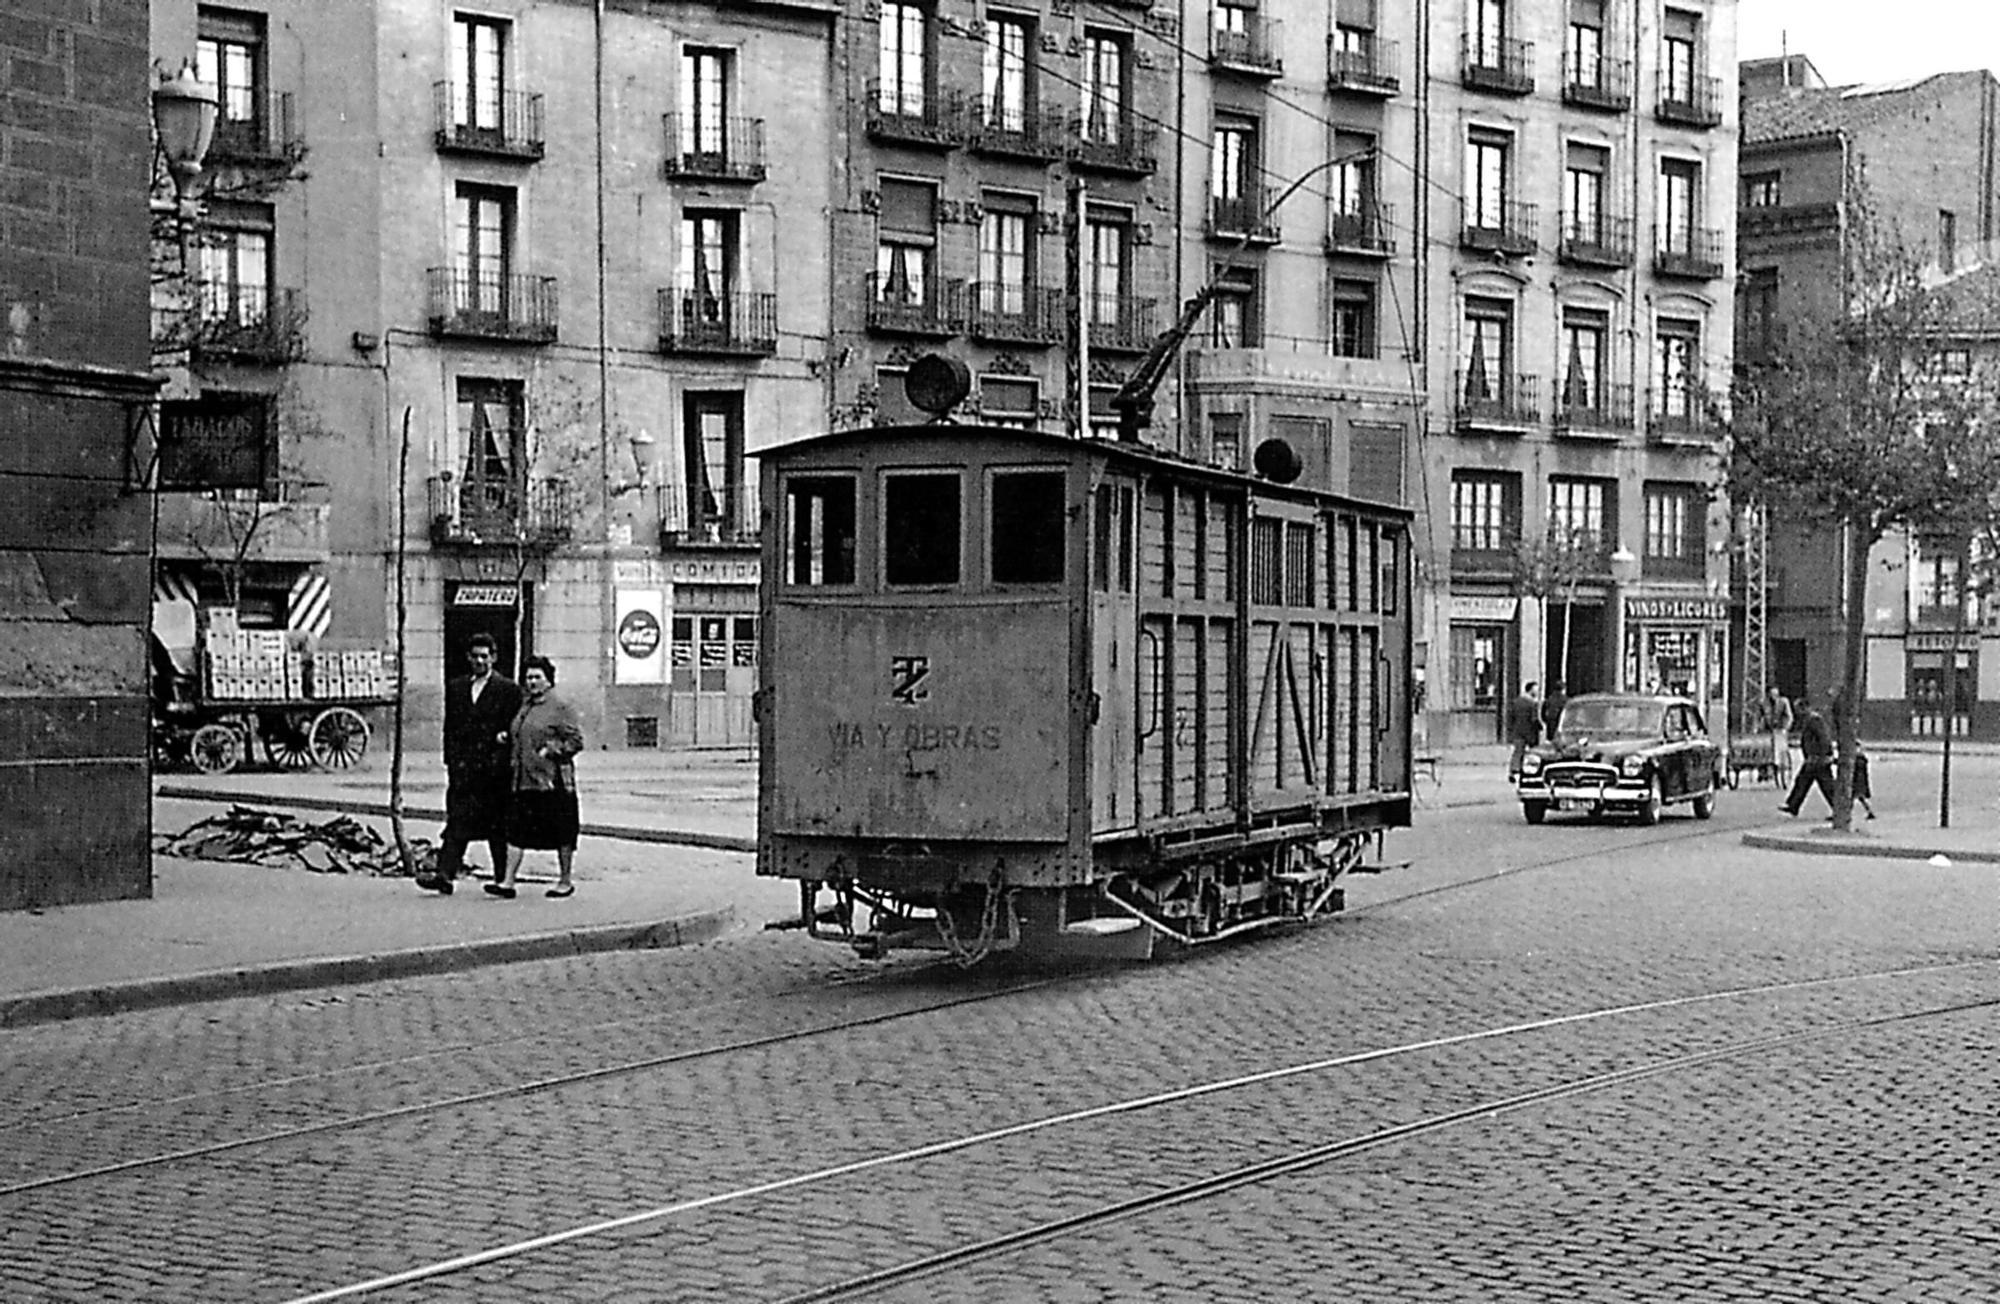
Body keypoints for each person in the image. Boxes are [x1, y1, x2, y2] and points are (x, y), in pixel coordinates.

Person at [418, 634, 521, 895]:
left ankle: (502, 880)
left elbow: (515, 726)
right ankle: (444, 875)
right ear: (468, 657)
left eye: (484, 656)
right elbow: (450, 726)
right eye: (475, 656)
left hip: (493, 770)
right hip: (464, 769)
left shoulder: (508, 689)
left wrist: (505, 742)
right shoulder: (457, 687)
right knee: (456, 822)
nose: (479, 661)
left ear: (494, 658)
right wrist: (451, 760)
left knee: (497, 825)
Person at [488, 656, 585, 900]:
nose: (531, 682)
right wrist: (507, 738)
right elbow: (522, 734)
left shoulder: (560, 707)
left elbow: (575, 741)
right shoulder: (525, 706)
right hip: (523, 779)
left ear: (548, 680)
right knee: (516, 829)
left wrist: (552, 750)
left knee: (562, 831)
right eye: (528, 677)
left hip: (553, 782)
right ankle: (507, 882)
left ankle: (565, 880)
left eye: (536, 677)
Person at [1780, 691, 1837, 817]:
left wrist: (1825, 755)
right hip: (1813, 759)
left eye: (1798, 710)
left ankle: (1838, 809)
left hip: (1817, 759)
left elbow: (1824, 738)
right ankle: (1793, 805)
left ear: (1804, 708)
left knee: (1826, 786)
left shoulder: (1814, 720)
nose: (1797, 713)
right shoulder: (1810, 720)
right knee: (1803, 782)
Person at [1507, 681, 1542, 781]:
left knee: (1518, 752)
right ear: (1530, 690)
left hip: (1518, 731)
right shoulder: (1532, 703)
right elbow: (1534, 719)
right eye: (1536, 689)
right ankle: (1532, 771)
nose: (1537, 692)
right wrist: (1539, 727)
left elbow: (1511, 717)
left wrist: (1511, 729)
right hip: (1530, 732)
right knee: (1534, 753)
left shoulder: (1516, 702)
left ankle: (1514, 771)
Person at [1764, 686, 1794, 787]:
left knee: (1779, 743)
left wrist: (1785, 727)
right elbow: (1759, 716)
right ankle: (1765, 768)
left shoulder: (1784, 702)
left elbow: (1789, 716)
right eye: (1771, 695)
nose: (1773, 697)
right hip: (1768, 729)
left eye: (1775, 695)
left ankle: (1778, 763)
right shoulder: (1763, 703)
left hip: (1780, 729)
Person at [1851, 745, 1877, 820]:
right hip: (1860, 782)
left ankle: (1845, 814)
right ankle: (1869, 812)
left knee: (1853, 798)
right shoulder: (1862, 759)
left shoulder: (1858, 759)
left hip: (1857, 782)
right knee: (1860, 798)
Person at [1540, 680, 1568, 746]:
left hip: (1550, 723)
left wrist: (1546, 720)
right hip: (1562, 724)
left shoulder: (1549, 699)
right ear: (1563, 689)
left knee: (1551, 742)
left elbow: (1543, 712)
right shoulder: (1565, 700)